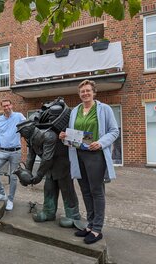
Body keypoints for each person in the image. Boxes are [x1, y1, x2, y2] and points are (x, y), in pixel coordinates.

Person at [59, 79, 119, 244]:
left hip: (95, 155)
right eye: (82, 91)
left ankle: (97, 229)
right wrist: (65, 136)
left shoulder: (104, 109)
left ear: (94, 92)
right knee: (85, 190)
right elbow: (76, 135)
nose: (85, 93)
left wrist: (100, 142)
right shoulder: (75, 111)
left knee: (96, 191)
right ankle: (90, 224)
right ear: (79, 94)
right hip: (78, 154)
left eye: (88, 90)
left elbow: (114, 131)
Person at [15, 98, 81, 228]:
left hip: (62, 164)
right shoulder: (31, 138)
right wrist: (27, 172)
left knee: (66, 189)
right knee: (49, 188)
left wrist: (38, 175)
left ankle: (73, 215)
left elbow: (47, 158)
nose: (21, 136)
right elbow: (31, 155)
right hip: (50, 167)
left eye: (22, 133)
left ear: (27, 130)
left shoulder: (48, 135)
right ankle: (49, 212)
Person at [0, 99, 26, 211]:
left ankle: (10, 199)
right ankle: (1, 193)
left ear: (11, 105)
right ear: (2, 107)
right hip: (2, 151)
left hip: (15, 151)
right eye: (4, 106)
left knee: (13, 177)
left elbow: (27, 126)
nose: (6, 107)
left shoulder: (19, 116)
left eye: (8, 105)